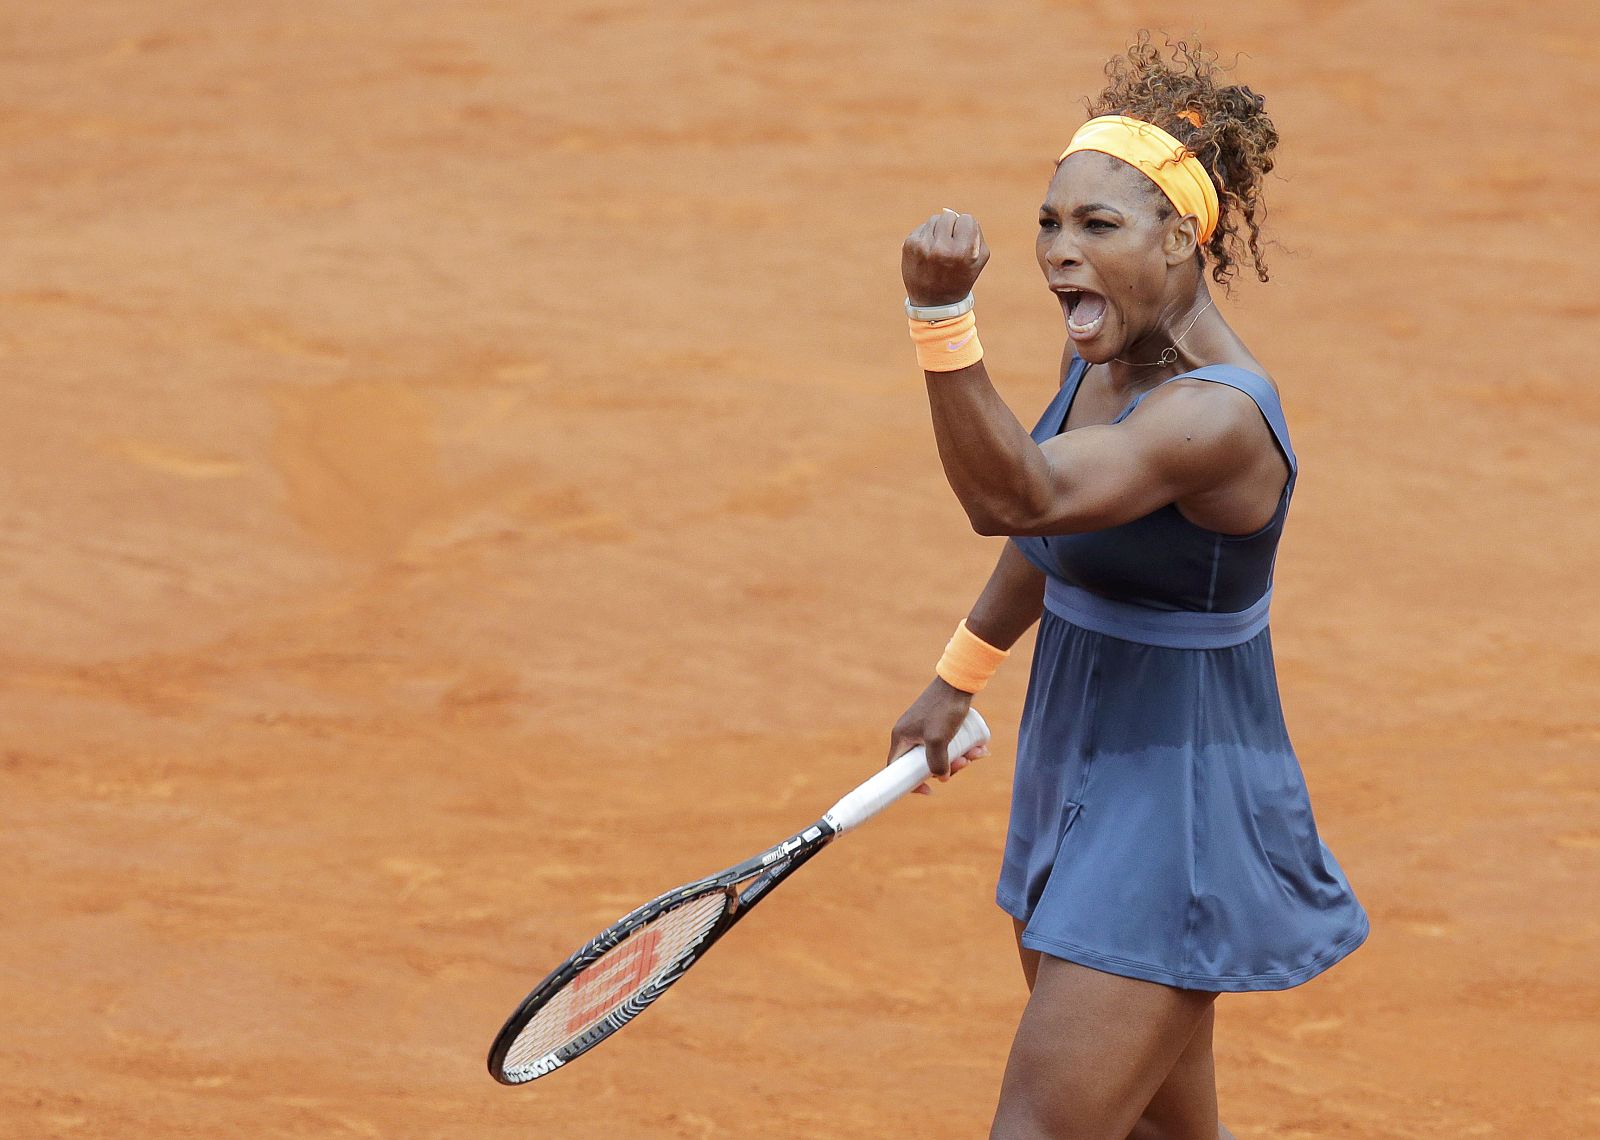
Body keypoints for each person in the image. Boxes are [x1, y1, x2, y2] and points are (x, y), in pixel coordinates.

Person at [887, 36, 1369, 1140]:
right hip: (1076, 754)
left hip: (1175, 794)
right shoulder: (1101, 359)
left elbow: (1017, 497)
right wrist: (957, 678)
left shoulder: (1215, 415)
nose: (1060, 252)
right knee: (1158, 1128)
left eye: (1097, 226)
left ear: (1180, 239)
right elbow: (1052, 537)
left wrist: (938, 319)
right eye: (1050, 223)